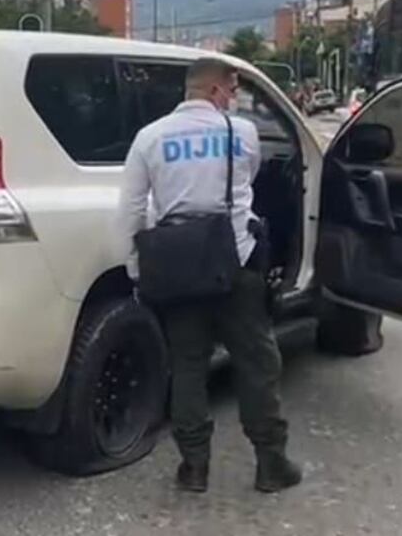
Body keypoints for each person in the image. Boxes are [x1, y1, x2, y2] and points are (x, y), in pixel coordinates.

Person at [119, 58, 302, 494]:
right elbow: (248, 178)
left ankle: (194, 467)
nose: (234, 98)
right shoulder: (242, 132)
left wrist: (135, 267)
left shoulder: (150, 137)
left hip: (177, 267)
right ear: (217, 90)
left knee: (187, 366)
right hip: (236, 260)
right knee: (256, 364)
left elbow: (131, 209)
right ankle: (271, 463)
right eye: (233, 90)